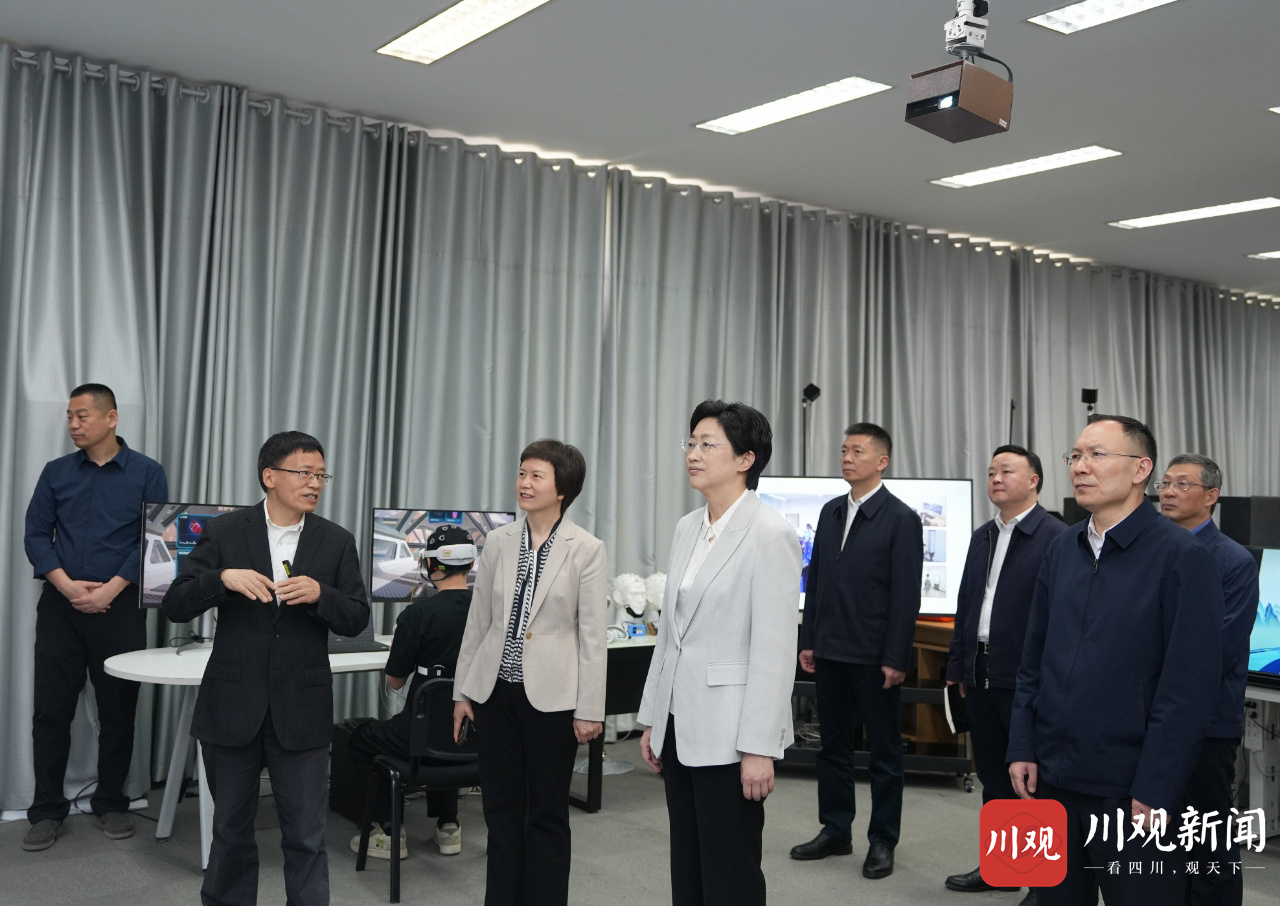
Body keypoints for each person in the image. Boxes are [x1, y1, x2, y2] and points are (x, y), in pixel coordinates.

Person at [1007, 415, 1224, 905]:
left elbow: (1188, 689)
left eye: (1097, 455)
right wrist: (1022, 745)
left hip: (1131, 791)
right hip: (1053, 779)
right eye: (1076, 456)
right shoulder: (1062, 548)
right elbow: (1033, 659)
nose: (1080, 467)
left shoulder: (1181, 557)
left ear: (1140, 469)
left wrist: (1156, 787)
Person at [162, 431, 368, 906]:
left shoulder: (336, 540)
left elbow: (357, 618)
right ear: (269, 476)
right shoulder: (226, 532)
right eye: (305, 473)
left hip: (302, 708)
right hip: (232, 705)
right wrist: (221, 578)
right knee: (229, 832)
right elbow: (176, 604)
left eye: (322, 475)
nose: (315, 483)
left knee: (306, 836)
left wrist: (320, 595)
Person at [636, 400, 801, 906]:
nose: (693, 453)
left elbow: (774, 652)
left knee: (731, 871)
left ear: (746, 459)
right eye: (691, 443)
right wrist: (652, 718)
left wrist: (759, 747)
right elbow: (671, 635)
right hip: (679, 722)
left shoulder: (770, 533)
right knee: (687, 863)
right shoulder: (688, 526)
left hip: (731, 734)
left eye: (708, 444)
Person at [451, 439, 607, 906]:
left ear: (562, 489)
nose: (524, 482)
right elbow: (479, 620)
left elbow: (592, 635)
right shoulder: (499, 541)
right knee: (500, 812)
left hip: (553, 700)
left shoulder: (586, 548)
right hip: (495, 694)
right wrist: (462, 692)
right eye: (522, 473)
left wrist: (590, 708)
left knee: (546, 814)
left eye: (537, 475)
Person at [21, 383, 168, 851]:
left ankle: (111, 802)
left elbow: (154, 538)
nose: (73, 424)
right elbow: (35, 533)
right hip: (60, 607)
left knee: (118, 711)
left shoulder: (148, 472)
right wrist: (66, 585)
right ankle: (47, 810)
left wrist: (111, 589)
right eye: (69, 416)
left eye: (81, 415)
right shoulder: (56, 472)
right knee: (50, 711)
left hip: (119, 607)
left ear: (111, 418)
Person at [792, 422, 923, 879]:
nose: (847, 458)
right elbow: (817, 582)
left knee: (884, 754)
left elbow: (906, 595)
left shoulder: (901, 518)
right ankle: (836, 829)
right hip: (830, 650)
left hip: (873, 655)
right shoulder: (830, 511)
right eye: (844, 450)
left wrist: (896, 657)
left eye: (858, 451)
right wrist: (809, 640)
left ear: (882, 461)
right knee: (832, 747)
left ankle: (883, 840)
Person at [944, 445, 1067, 903]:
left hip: (1026, 677)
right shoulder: (983, 535)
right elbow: (966, 605)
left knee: (1032, 781)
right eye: (991, 471)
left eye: (1007, 471)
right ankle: (1004, 868)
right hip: (980, 671)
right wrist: (957, 666)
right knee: (994, 777)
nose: (995, 478)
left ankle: (1041, 883)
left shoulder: (1056, 536)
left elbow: (1061, 619)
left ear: (1034, 480)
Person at [1158, 453, 1259, 906]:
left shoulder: (1232, 560)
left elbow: (1221, 647)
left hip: (1206, 722)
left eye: (1182, 484)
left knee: (1208, 836)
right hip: (1152, 717)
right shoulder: (1153, 552)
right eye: (1165, 483)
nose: (1168, 492)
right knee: (1162, 837)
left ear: (1211, 496)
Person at [344, 523, 475, 860]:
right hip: (475, 739)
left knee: (359, 738)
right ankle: (448, 825)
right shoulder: (491, 611)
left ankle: (388, 831)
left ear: (430, 565)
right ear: (472, 563)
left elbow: (395, 682)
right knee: (447, 732)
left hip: (421, 737)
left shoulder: (418, 614)